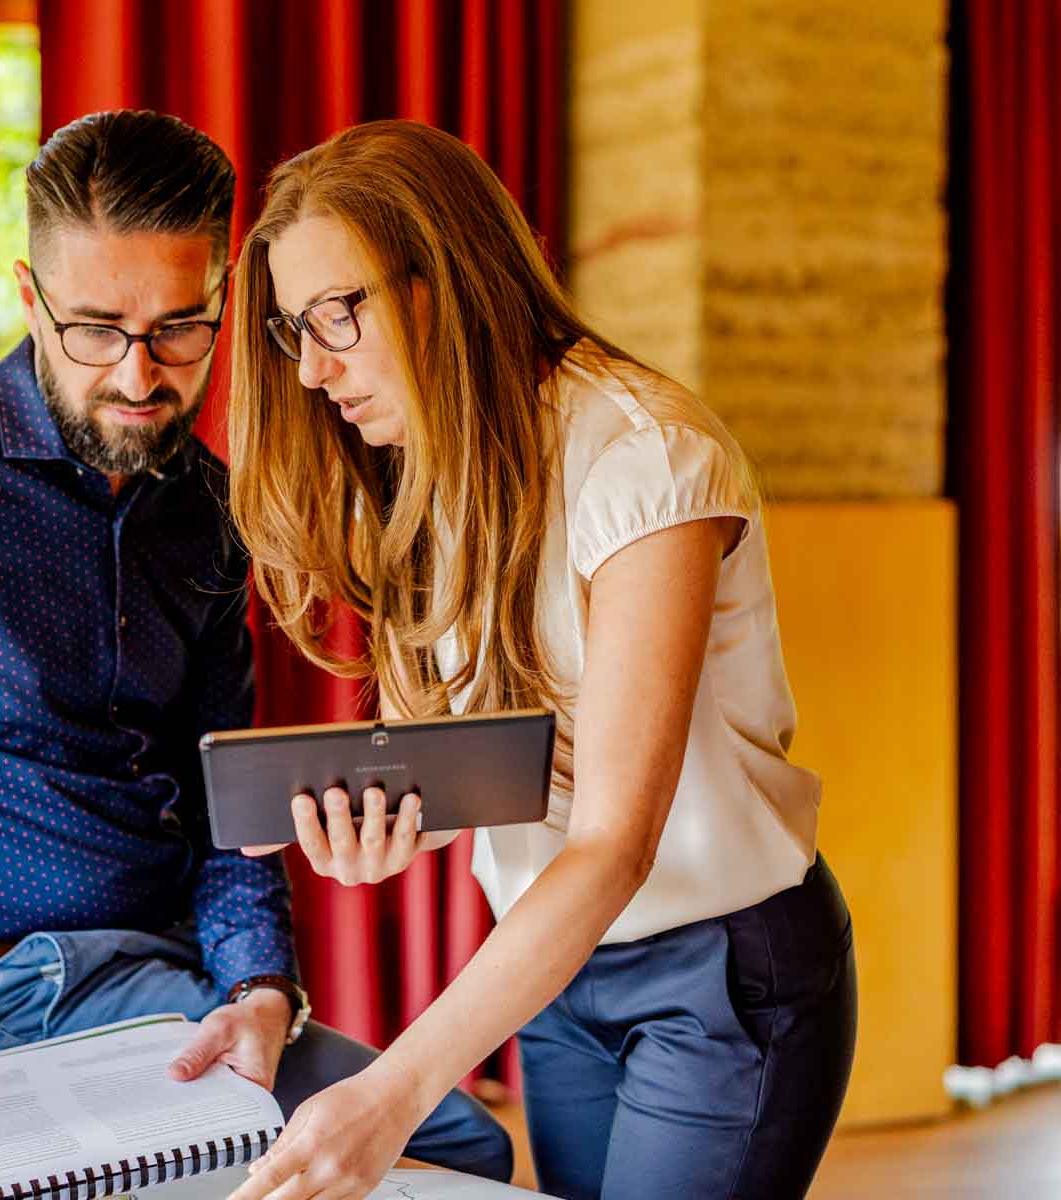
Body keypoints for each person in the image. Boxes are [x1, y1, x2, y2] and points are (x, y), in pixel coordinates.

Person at [0, 109, 510, 1197]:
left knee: (457, 1147)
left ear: (225, 299)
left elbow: (222, 803)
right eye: (94, 331)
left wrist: (261, 988)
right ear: (31, 298)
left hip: (169, 995)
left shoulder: (210, 514)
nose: (137, 375)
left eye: (179, 330)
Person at [221, 119, 858, 1200]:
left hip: (720, 974)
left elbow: (613, 844)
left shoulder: (646, 458)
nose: (316, 369)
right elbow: (513, 762)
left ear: (442, 278)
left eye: (338, 314)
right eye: (296, 330)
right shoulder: (435, 462)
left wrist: (392, 1094)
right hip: (557, 969)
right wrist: (397, 821)